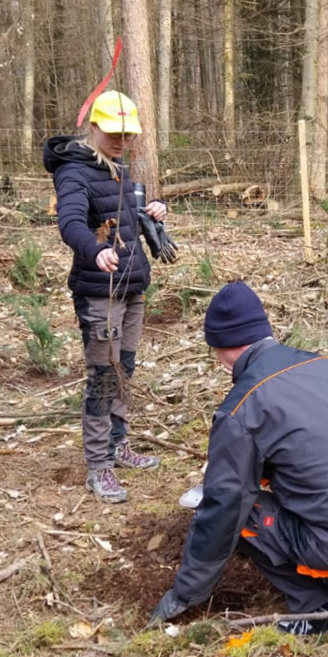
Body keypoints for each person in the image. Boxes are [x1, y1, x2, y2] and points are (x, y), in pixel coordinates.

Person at [148, 281, 328, 637]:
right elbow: (326, 448)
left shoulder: (242, 408)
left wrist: (186, 593)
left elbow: (224, 507)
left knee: (238, 513)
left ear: (220, 347)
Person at [43, 90, 170, 504]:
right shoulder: (74, 171)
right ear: (93, 127)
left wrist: (150, 210)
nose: (120, 139)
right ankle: (98, 466)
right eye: (113, 132)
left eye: (127, 134)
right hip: (100, 292)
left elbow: (120, 218)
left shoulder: (118, 168)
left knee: (124, 371)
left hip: (132, 287)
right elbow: (72, 223)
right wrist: (94, 250)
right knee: (102, 378)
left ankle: (118, 444)